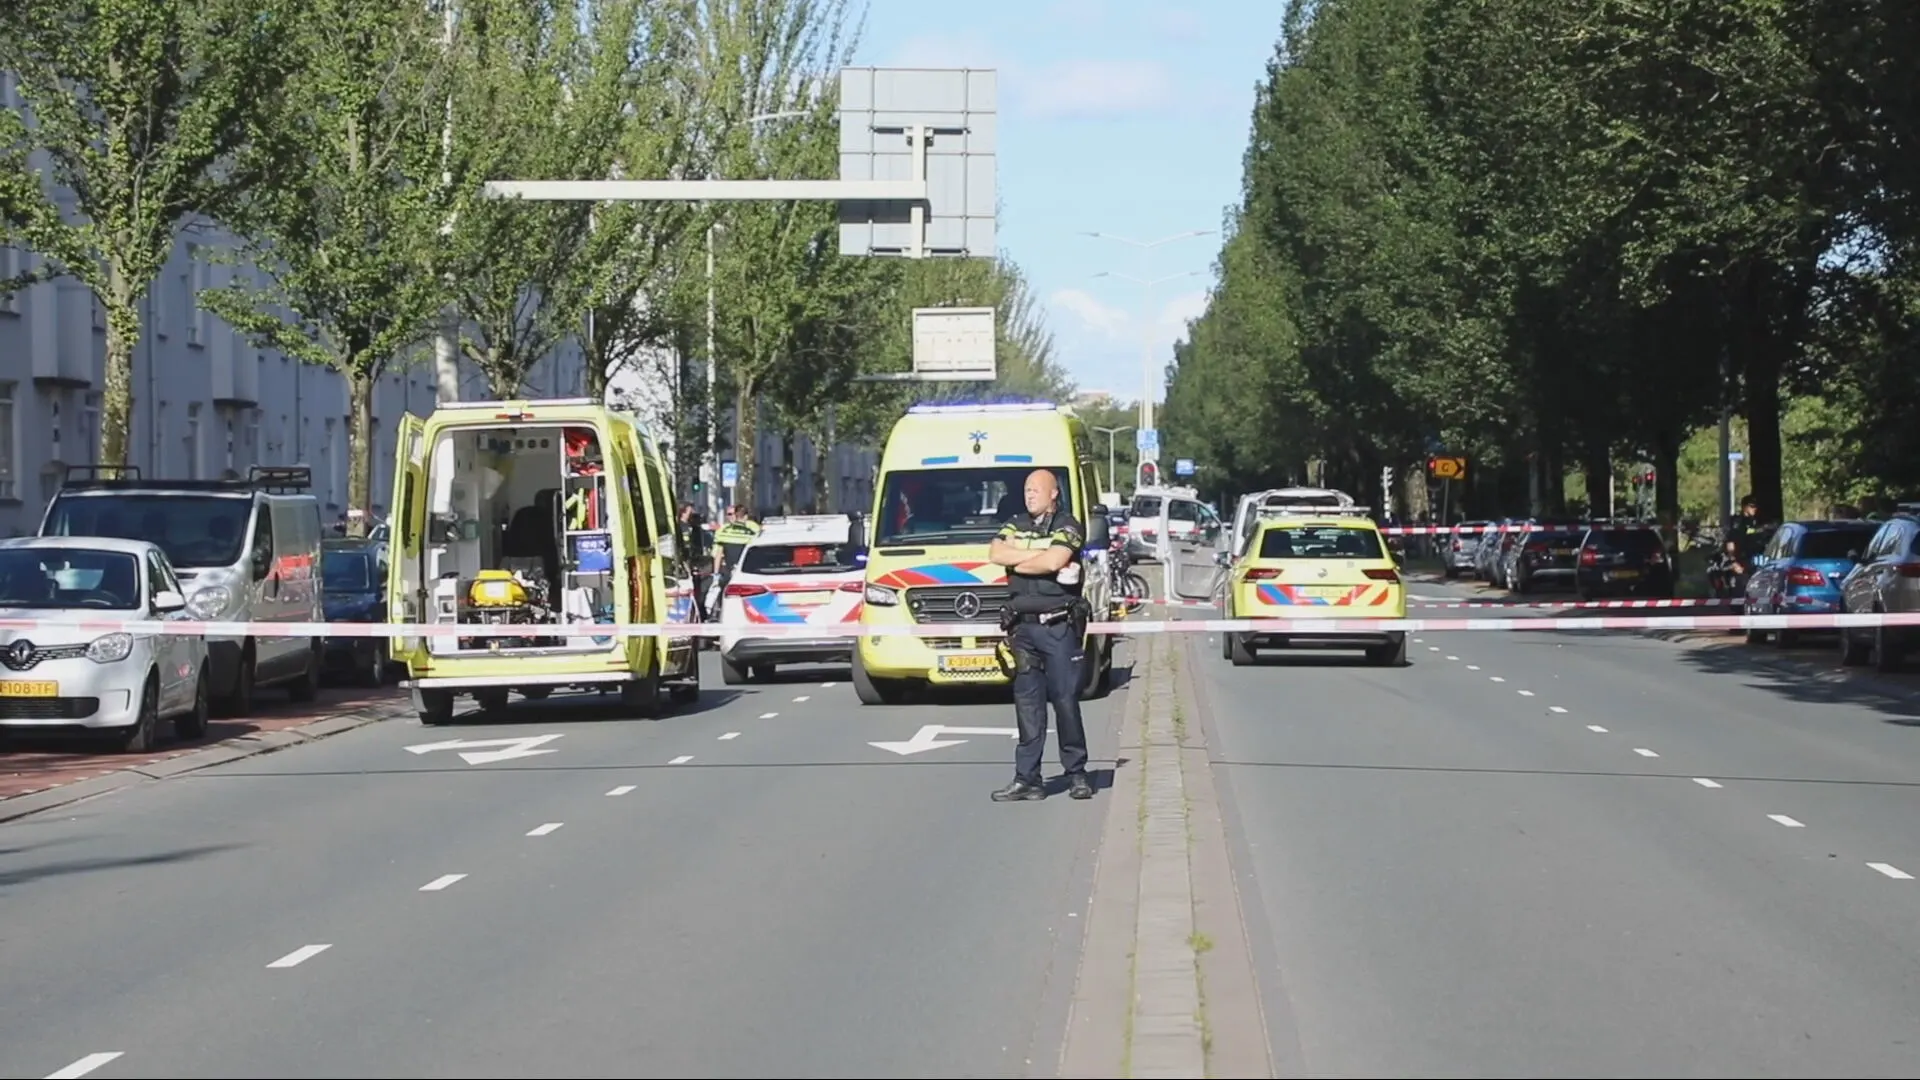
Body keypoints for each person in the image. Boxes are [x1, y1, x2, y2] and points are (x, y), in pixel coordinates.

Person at [987, 469, 1094, 802]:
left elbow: (1056, 560)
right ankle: (1027, 778)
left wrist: (1025, 558)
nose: (1029, 495)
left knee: (1065, 701)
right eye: (1026, 489)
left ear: (1053, 493)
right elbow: (995, 553)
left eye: (1036, 490)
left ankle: (1076, 773)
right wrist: (1038, 558)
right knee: (1028, 705)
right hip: (1023, 629)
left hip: (1058, 626)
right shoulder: (1014, 523)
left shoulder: (1068, 525)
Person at [710, 505, 760, 615]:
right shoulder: (752, 531)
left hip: (736, 570)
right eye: (729, 514)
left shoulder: (725, 531)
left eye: (733, 514)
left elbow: (718, 554)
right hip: (741, 571)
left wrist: (716, 574)